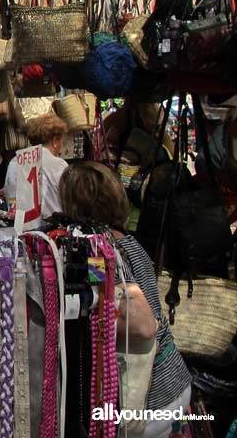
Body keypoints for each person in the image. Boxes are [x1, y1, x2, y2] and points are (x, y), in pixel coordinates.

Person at [59, 162, 189, 438]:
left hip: (149, 397)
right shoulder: (125, 241)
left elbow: (141, 324)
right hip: (171, 380)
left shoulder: (102, 253)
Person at [2, 113, 70, 216]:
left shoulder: (14, 162)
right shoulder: (58, 164)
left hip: (20, 226)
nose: (61, 146)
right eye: (61, 141)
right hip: (52, 227)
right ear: (55, 140)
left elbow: (10, 198)